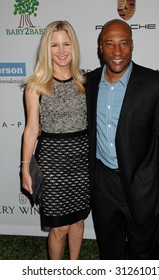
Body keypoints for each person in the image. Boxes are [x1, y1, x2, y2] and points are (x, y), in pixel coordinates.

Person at [86, 19, 159, 260]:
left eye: (123, 43)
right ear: (100, 47)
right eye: (110, 44)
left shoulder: (156, 84)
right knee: (110, 253)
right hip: (103, 184)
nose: (117, 52)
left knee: (143, 255)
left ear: (132, 45)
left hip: (142, 185)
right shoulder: (89, 83)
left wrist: (156, 182)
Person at [21, 20, 90, 260]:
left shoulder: (86, 82)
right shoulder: (36, 86)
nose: (61, 51)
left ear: (74, 46)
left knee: (78, 222)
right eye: (54, 45)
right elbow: (30, 129)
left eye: (66, 44)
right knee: (59, 228)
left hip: (82, 160)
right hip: (53, 161)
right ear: (46, 49)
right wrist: (25, 169)